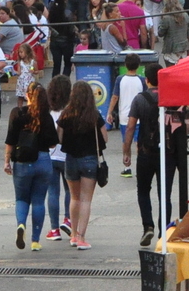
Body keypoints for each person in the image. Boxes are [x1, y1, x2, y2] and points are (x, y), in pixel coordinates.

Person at [4, 82, 59, 251]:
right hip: (43, 161)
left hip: (22, 162)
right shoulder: (46, 116)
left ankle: (21, 225)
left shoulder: (17, 113)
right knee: (38, 201)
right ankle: (35, 240)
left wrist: (7, 160)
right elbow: (52, 144)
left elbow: (10, 140)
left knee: (21, 199)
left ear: (27, 95)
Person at [58, 80, 106, 250]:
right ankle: (81, 237)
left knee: (74, 197)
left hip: (70, 159)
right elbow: (104, 138)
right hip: (89, 159)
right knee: (86, 199)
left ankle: (72, 235)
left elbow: (60, 138)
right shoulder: (94, 115)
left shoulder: (65, 114)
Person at [123, 65, 162, 247]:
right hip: (164, 152)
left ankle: (148, 226)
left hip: (145, 151)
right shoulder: (169, 98)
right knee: (165, 193)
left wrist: (126, 150)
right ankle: (164, 230)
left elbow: (130, 126)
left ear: (146, 80)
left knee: (143, 190)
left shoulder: (139, 100)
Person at [44, 74, 71, 242]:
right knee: (70, 191)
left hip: (50, 156)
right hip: (67, 155)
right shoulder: (69, 112)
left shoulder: (48, 112)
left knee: (53, 192)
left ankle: (54, 229)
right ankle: (68, 219)